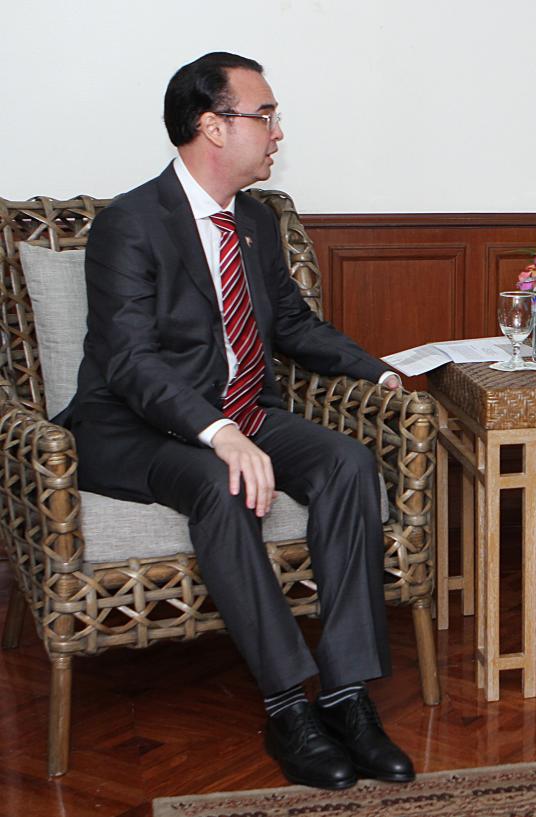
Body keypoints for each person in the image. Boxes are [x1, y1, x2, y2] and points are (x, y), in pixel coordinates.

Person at [60, 52, 413, 790]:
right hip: (133, 426)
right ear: (212, 126)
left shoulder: (252, 219)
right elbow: (129, 361)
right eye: (266, 115)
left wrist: (374, 368)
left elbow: (289, 322)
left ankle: (347, 696)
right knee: (222, 482)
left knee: (348, 461)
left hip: (243, 411)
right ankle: (289, 706)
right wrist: (218, 432)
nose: (279, 131)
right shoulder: (130, 224)